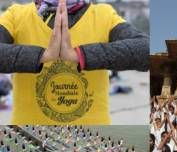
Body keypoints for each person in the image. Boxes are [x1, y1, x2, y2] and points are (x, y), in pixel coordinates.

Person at [0, 0, 149, 125]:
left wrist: (79, 55)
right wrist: (42, 55)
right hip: (27, 132)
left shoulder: (104, 15)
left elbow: (145, 49)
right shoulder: (16, 15)